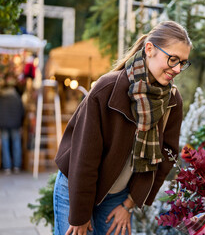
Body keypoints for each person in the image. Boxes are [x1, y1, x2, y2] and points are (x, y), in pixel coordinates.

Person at [53, 20, 192, 235]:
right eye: (173, 59)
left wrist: (129, 203)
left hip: (118, 197)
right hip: (77, 189)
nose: (177, 69)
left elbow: (166, 156)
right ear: (149, 49)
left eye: (183, 63)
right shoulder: (108, 89)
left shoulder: (172, 100)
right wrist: (80, 214)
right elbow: (84, 156)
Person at [0, 85, 24, 175]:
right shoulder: (17, 98)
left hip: (3, 125)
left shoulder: (1, 98)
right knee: (16, 144)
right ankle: (17, 166)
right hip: (15, 124)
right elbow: (22, 111)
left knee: (5, 146)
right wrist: (20, 123)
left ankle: (7, 167)